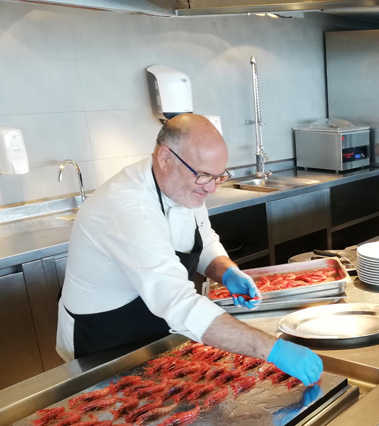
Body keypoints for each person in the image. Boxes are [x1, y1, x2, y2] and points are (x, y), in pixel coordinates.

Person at [56, 113, 322, 386]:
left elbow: (203, 238)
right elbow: (178, 302)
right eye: (205, 176)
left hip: (158, 326)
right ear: (165, 158)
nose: (212, 188)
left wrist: (227, 271)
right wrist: (272, 349)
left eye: (219, 177)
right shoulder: (128, 208)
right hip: (105, 341)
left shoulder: (182, 183)